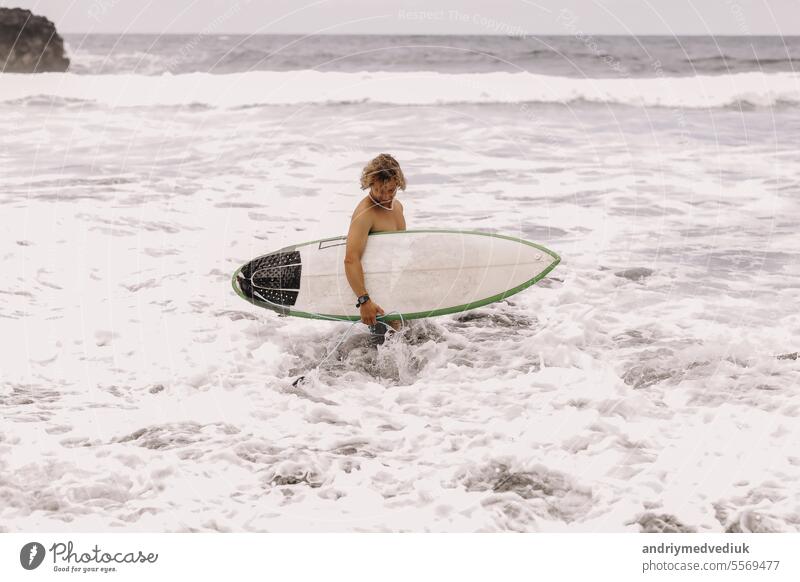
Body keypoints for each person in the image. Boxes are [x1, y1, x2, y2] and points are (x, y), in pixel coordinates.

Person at [343, 153, 407, 336]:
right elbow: (350, 259)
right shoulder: (365, 214)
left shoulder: (398, 207)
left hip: (394, 288)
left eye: (391, 190)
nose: (386, 196)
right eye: (380, 190)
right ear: (369, 183)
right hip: (375, 295)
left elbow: (399, 251)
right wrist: (364, 301)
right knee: (383, 349)